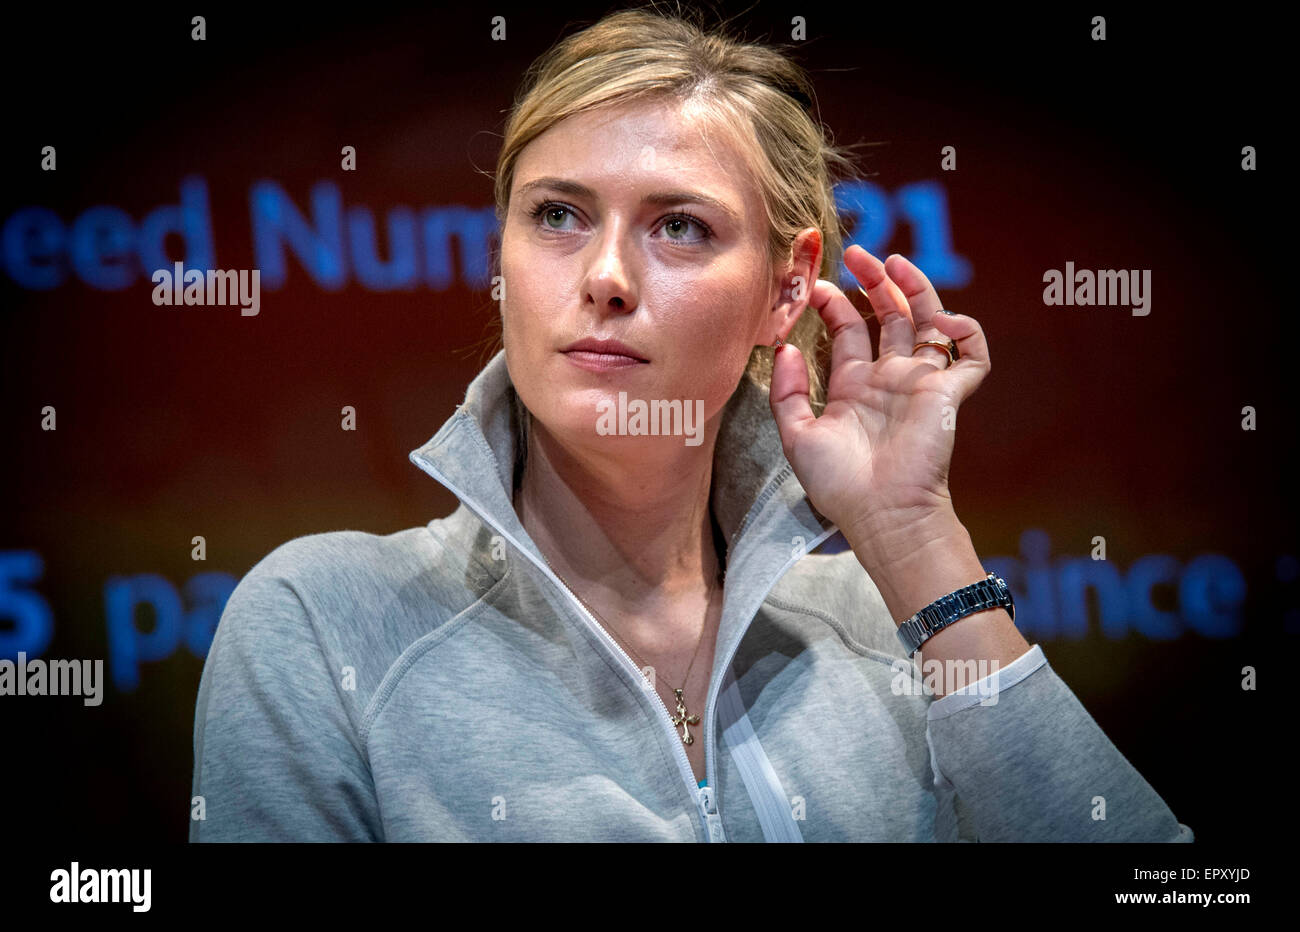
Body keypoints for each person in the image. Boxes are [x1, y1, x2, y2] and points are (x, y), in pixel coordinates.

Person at [189, 5, 1191, 842]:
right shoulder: (323, 621)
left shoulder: (889, 623)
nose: (606, 277)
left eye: (680, 226)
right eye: (556, 215)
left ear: (784, 288)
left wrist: (912, 538)